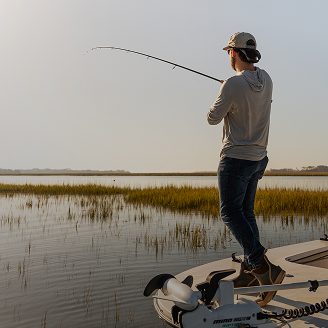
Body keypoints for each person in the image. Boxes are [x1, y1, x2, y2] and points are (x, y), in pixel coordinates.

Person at [207, 32, 285, 307]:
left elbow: (212, 119)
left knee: (229, 212)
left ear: (233, 53)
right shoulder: (267, 79)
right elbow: (246, 98)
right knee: (246, 212)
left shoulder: (231, 84)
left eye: (229, 51)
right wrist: (230, 89)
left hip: (235, 158)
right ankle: (254, 270)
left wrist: (225, 90)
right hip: (258, 158)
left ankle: (263, 269)